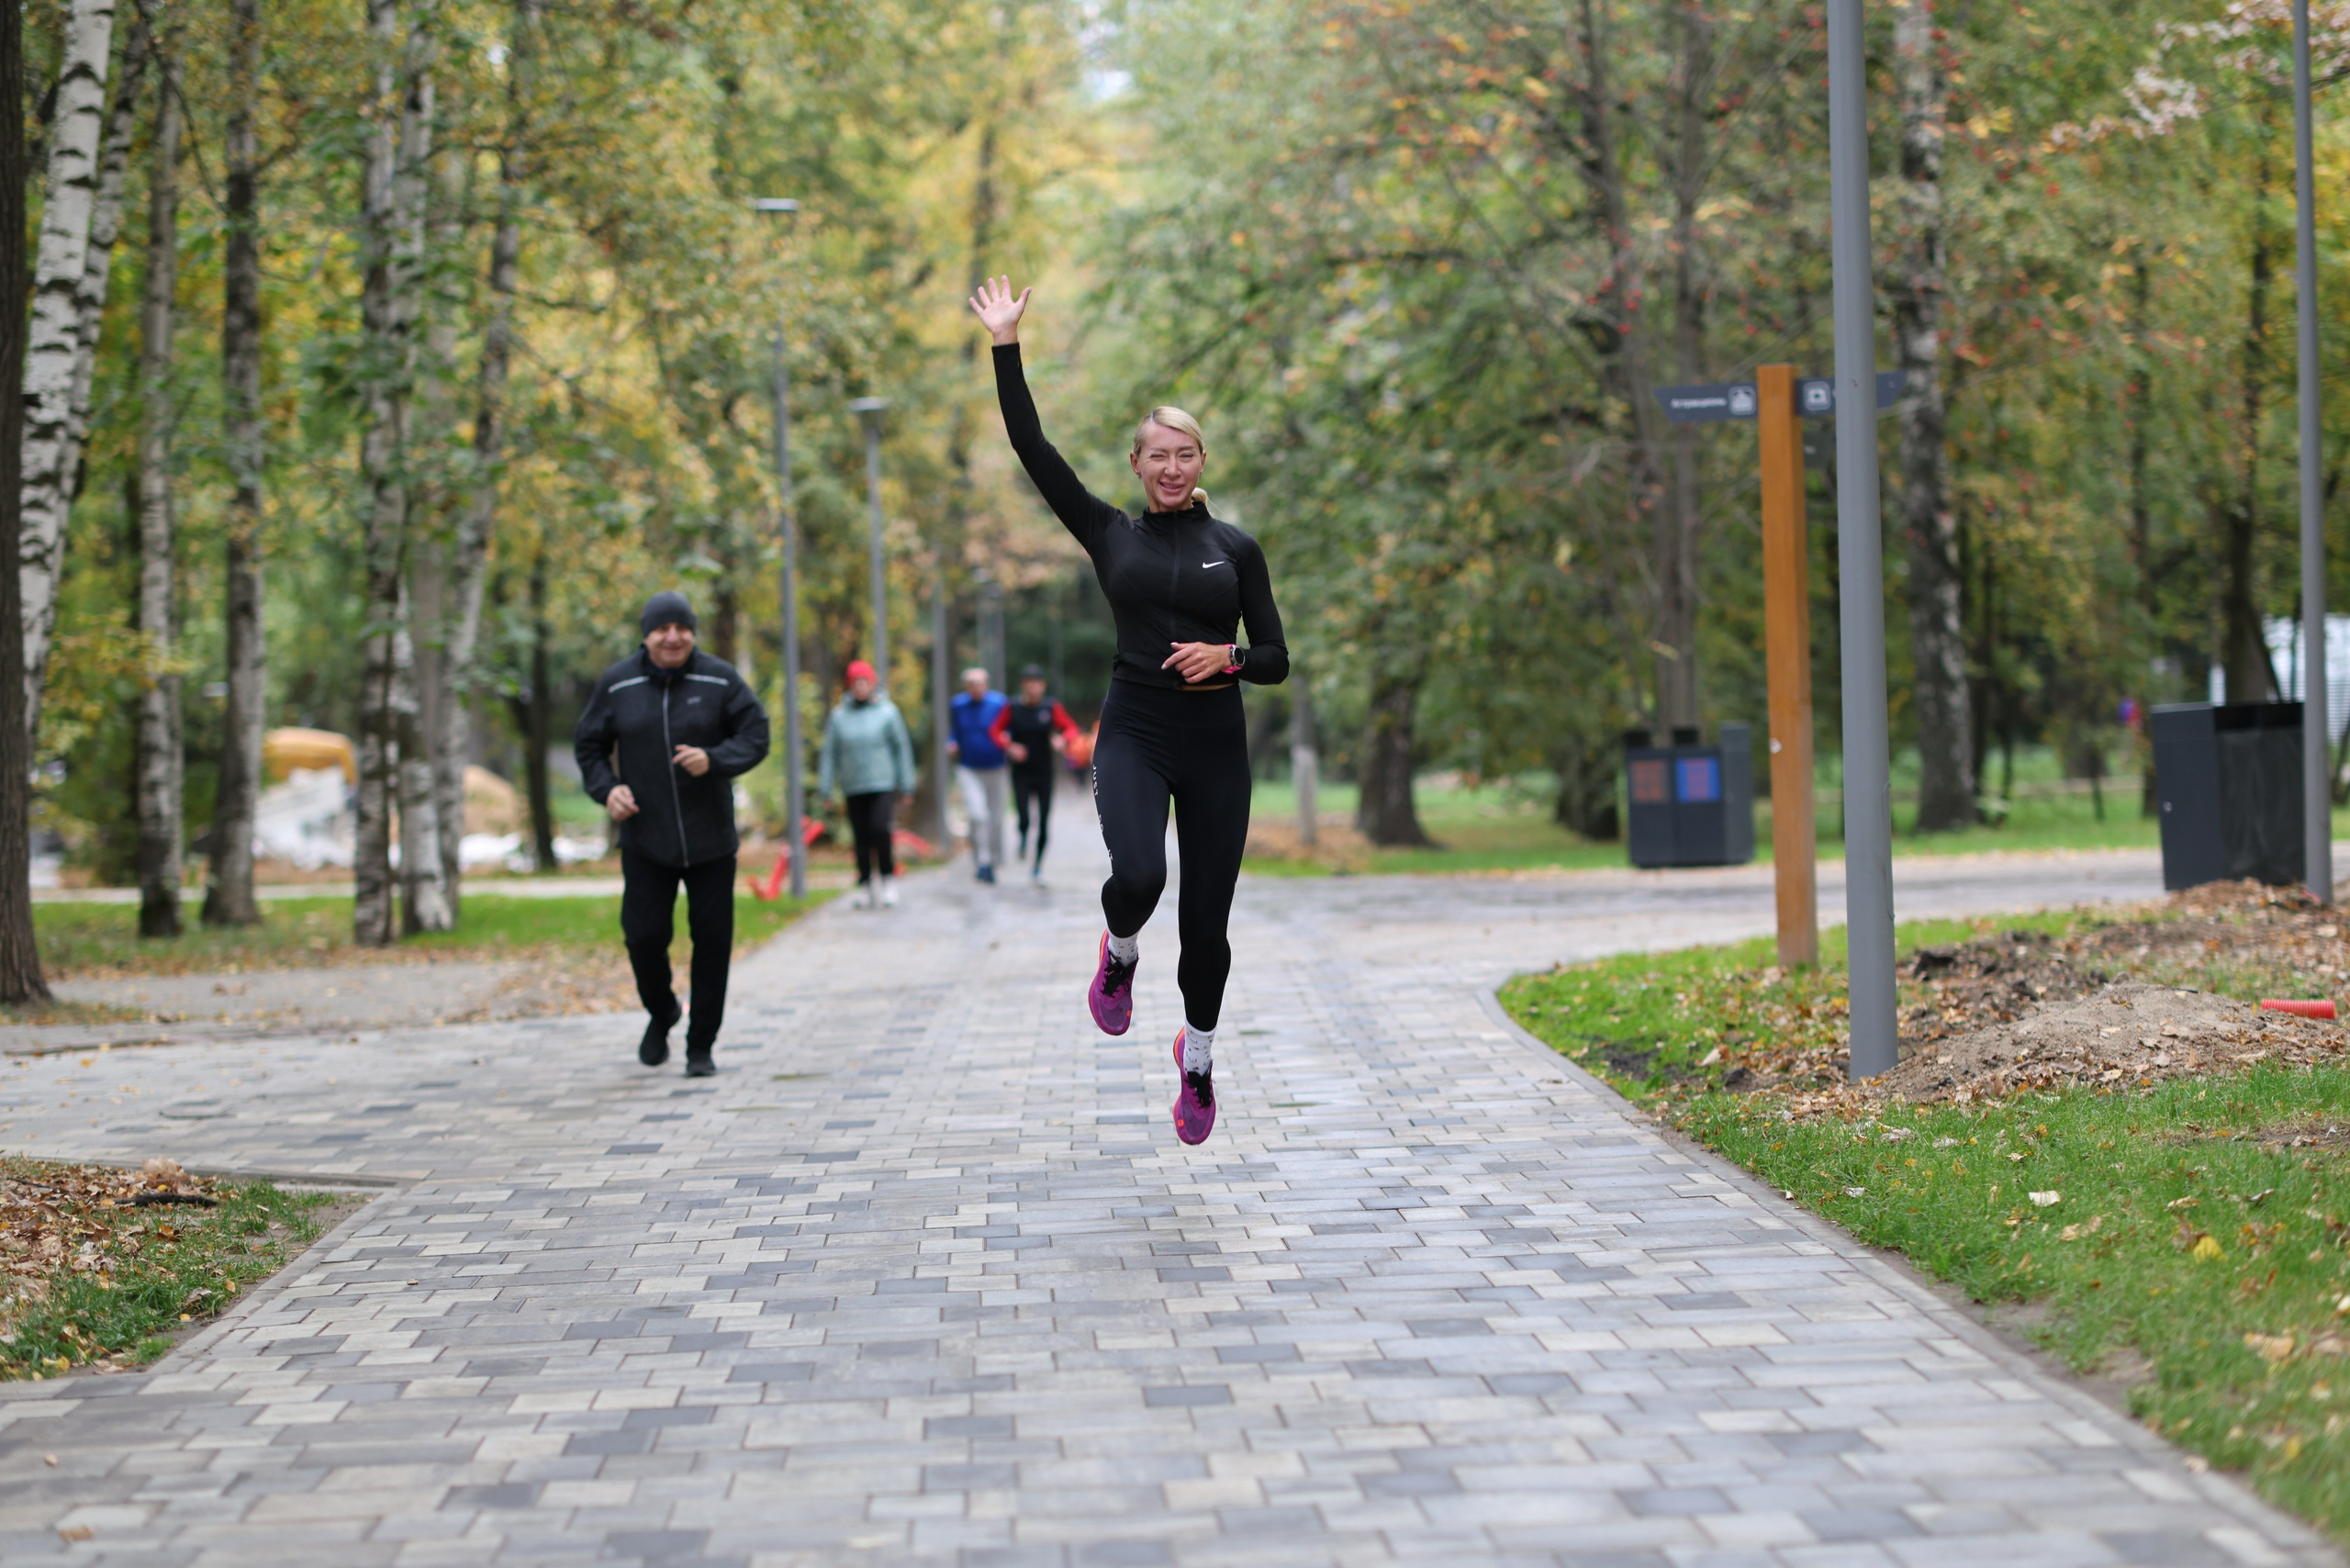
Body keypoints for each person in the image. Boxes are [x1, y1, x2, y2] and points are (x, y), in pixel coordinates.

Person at [969, 276, 1289, 1147]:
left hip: (1217, 743)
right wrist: (1006, 344)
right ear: (1139, 466)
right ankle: (1117, 954)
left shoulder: (1237, 549)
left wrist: (1228, 656)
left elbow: (1276, 659)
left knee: (1206, 924)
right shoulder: (1110, 533)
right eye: (1158, 455)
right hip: (1137, 735)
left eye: (1186, 454)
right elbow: (1033, 447)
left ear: (1202, 463)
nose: (1173, 468)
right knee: (1141, 878)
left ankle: (1199, 1058)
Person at [574, 590, 770, 1077]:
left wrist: (716, 760)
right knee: (643, 937)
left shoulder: (719, 678)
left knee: (712, 944)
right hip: (646, 838)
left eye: (682, 628)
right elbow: (589, 744)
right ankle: (663, 1013)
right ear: (646, 634)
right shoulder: (619, 683)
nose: (673, 637)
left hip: (711, 842)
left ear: (692, 632)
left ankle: (700, 1046)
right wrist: (607, 790)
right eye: (662, 628)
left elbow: (756, 734)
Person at [818, 660, 915, 908]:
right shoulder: (839, 716)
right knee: (860, 837)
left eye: (865, 682)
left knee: (880, 830)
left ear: (872, 684)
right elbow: (830, 752)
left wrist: (907, 784)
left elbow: (901, 748)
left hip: (882, 782)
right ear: (850, 686)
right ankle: (865, 884)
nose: (861, 687)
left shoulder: (887, 712)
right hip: (853, 784)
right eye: (856, 683)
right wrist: (826, 787)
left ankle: (887, 879)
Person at [989, 664, 1080, 885]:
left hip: (1044, 772)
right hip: (1021, 772)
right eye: (1028, 683)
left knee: (1044, 820)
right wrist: (1009, 746)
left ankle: (1037, 867)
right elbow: (995, 730)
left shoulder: (1051, 707)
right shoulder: (1013, 707)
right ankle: (1021, 837)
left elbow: (1071, 728)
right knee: (1024, 817)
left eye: (1037, 683)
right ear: (1023, 685)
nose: (1032, 687)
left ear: (1042, 686)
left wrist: (1062, 740)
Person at [946, 666, 1010, 884]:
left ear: (987, 684)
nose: (977, 688)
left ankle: (994, 859)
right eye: (972, 684)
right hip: (968, 767)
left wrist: (1008, 742)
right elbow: (954, 730)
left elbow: (1008, 729)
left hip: (997, 767)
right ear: (966, 687)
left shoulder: (999, 703)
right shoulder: (957, 705)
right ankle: (981, 860)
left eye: (981, 683)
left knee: (996, 817)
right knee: (977, 815)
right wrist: (951, 743)